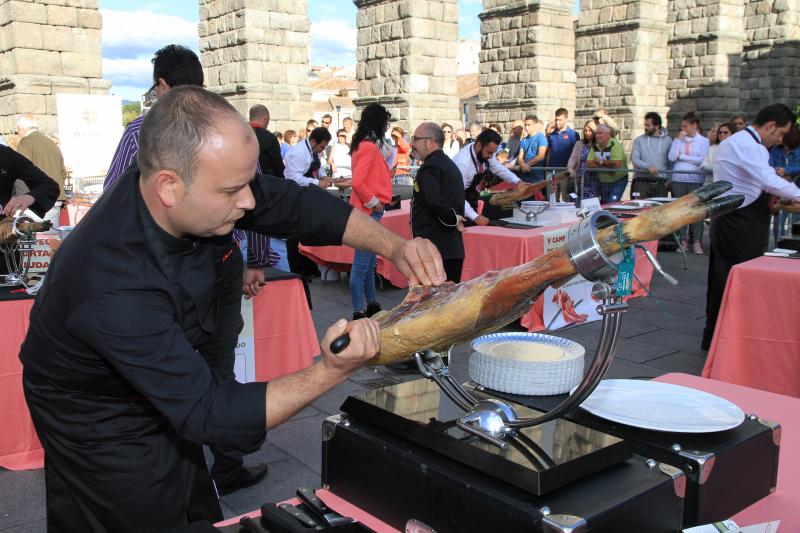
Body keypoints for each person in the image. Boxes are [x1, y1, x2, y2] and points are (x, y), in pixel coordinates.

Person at [20, 86, 445, 532]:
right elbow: (211, 413)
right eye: (231, 190)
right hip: (97, 410)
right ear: (168, 186)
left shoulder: (196, 184)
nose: (247, 202)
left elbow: (294, 203)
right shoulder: (109, 280)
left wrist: (395, 247)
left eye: (247, 183)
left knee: (195, 496)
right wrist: (332, 370)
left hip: (168, 361)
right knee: (135, 509)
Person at [701, 103, 800, 350]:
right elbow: (768, 180)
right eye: (780, 134)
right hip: (741, 223)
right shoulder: (748, 145)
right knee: (738, 281)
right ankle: (730, 338)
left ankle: (716, 335)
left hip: (732, 218)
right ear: (770, 126)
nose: (779, 140)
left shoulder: (737, 142)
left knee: (721, 278)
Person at [104, 44, 203, 191]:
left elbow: (113, 189)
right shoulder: (224, 125)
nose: (155, 93)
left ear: (163, 85)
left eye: (154, 88)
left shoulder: (139, 130)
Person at [348, 103, 394, 320]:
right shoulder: (368, 146)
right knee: (362, 266)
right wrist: (374, 202)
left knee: (367, 264)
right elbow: (358, 182)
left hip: (366, 211)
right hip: (369, 211)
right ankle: (359, 310)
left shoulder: (363, 144)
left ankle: (371, 305)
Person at [410, 122, 465, 283]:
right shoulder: (446, 163)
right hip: (448, 249)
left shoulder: (431, 167)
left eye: (416, 139)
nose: (412, 144)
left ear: (430, 141)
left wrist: (453, 218)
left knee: (432, 305)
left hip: (436, 251)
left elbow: (435, 200)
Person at [284, 126, 333, 275]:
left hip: (308, 195)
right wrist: (318, 183)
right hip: (295, 196)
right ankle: (298, 269)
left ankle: (309, 265)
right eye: (322, 147)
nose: (323, 150)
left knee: (309, 231)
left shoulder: (314, 150)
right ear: (313, 141)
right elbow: (294, 178)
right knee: (296, 234)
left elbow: (318, 166)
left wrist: (324, 176)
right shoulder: (298, 153)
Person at [453, 128, 525, 225]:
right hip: (457, 204)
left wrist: (518, 181)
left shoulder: (484, 152)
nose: (491, 157)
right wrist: (475, 216)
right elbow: (457, 196)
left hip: (470, 199)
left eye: (493, 153)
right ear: (479, 145)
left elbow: (499, 169)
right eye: (489, 153)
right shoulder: (463, 164)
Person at [668, 112, 710, 254]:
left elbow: (701, 159)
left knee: (696, 210)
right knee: (680, 210)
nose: (683, 129)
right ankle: (683, 240)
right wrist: (677, 142)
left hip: (695, 179)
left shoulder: (703, 141)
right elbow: (672, 156)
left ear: (694, 125)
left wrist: (682, 156)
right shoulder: (679, 139)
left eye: (686, 126)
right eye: (682, 126)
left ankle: (696, 241)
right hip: (678, 178)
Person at [15, 115, 68, 225]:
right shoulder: (51, 143)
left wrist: (23, 198)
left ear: (22, 129)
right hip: (55, 198)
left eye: (17, 130)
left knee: (34, 237)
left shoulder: (26, 142)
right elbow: (63, 172)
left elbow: (19, 172)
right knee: (50, 235)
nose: (18, 134)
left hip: (36, 200)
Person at [768, 124, 800, 242]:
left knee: (795, 220)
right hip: (780, 190)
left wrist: (787, 171)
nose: (778, 136)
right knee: (778, 221)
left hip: (795, 189)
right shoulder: (776, 150)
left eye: (781, 134)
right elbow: (769, 165)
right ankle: (779, 245)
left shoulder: (798, 150)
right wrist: (777, 173)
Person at [630, 111, 672, 199]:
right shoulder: (639, 140)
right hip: (641, 181)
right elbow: (635, 159)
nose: (645, 128)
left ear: (657, 126)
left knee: (659, 210)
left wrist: (669, 179)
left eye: (648, 125)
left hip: (661, 182)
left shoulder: (668, 141)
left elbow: (670, 162)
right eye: (645, 125)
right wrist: (648, 167)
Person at [587, 124, 628, 203]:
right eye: (596, 133)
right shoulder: (595, 146)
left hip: (618, 181)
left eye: (600, 133)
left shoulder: (615, 145)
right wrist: (607, 165)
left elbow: (616, 164)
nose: (597, 136)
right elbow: (588, 163)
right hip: (603, 182)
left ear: (608, 134)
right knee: (605, 206)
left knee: (612, 204)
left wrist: (600, 162)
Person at [548, 108, 580, 201]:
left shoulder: (573, 134)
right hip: (552, 171)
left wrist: (573, 169)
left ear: (566, 119)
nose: (557, 122)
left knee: (567, 199)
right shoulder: (552, 135)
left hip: (566, 171)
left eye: (560, 120)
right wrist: (547, 168)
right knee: (552, 199)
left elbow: (576, 153)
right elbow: (549, 152)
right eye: (556, 119)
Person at [566, 121, 599, 202]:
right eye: (585, 130)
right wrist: (570, 167)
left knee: (591, 203)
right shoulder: (579, 143)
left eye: (590, 130)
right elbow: (572, 158)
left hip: (594, 179)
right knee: (578, 202)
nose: (587, 133)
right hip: (580, 177)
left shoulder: (599, 144)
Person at [248, 104, 284, 178]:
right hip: (267, 183)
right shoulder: (269, 138)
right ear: (265, 118)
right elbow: (278, 167)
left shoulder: (238, 134)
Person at [517, 115, 548, 183]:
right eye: (525, 125)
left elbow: (541, 156)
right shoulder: (524, 140)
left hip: (537, 175)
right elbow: (520, 157)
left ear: (535, 125)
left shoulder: (541, 138)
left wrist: (527, 165)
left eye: (529, 125)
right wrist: (522, 165)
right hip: (524, 174)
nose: (526, 127)